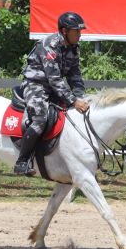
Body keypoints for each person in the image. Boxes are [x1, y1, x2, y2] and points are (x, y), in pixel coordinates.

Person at [13, 11, 91, 175]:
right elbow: (54, 79)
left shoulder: (74, 48)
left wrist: (81, 97)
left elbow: (75, 76)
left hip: (53, 89)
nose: (79, 34)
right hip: (36, 85)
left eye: (80, 31)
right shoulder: (50, 45)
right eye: (76, 31)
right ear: (64, 31)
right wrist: (73, 101)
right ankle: (22, 162)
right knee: (41, 118)